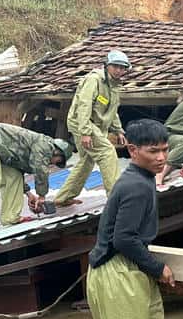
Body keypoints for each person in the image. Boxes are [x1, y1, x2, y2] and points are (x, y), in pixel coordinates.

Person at [86, 118, 176, 319]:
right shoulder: (136, 186)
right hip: (116, 271)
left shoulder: (142, 178)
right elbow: (124, 239)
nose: (161, 157)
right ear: (132, 149)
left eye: (165, 150)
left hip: (130, 270)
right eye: (153, 151)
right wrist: (158, 268)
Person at [55, 50, 131, 207]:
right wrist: (85, 132)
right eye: (115, 66)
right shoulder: (94, 80)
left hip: (96, 126)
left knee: (87, 161)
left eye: (122, 67)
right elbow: (84, 105)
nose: (119, 70)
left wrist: (118, 130)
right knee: (107, 152)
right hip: (83, 123)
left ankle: (63, 198)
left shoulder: (114, 85)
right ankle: (116, 197)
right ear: (107, 65)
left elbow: (112, 110)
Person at [0, 123, 73, 234]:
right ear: (57, 153)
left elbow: (18, 169)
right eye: (57, 162)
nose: (53, 164)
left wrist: (29, 194)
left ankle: (11, 217)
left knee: (14, 176)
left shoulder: (37, 148)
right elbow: (40, 170)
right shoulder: (45, 146)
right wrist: (41, 196)